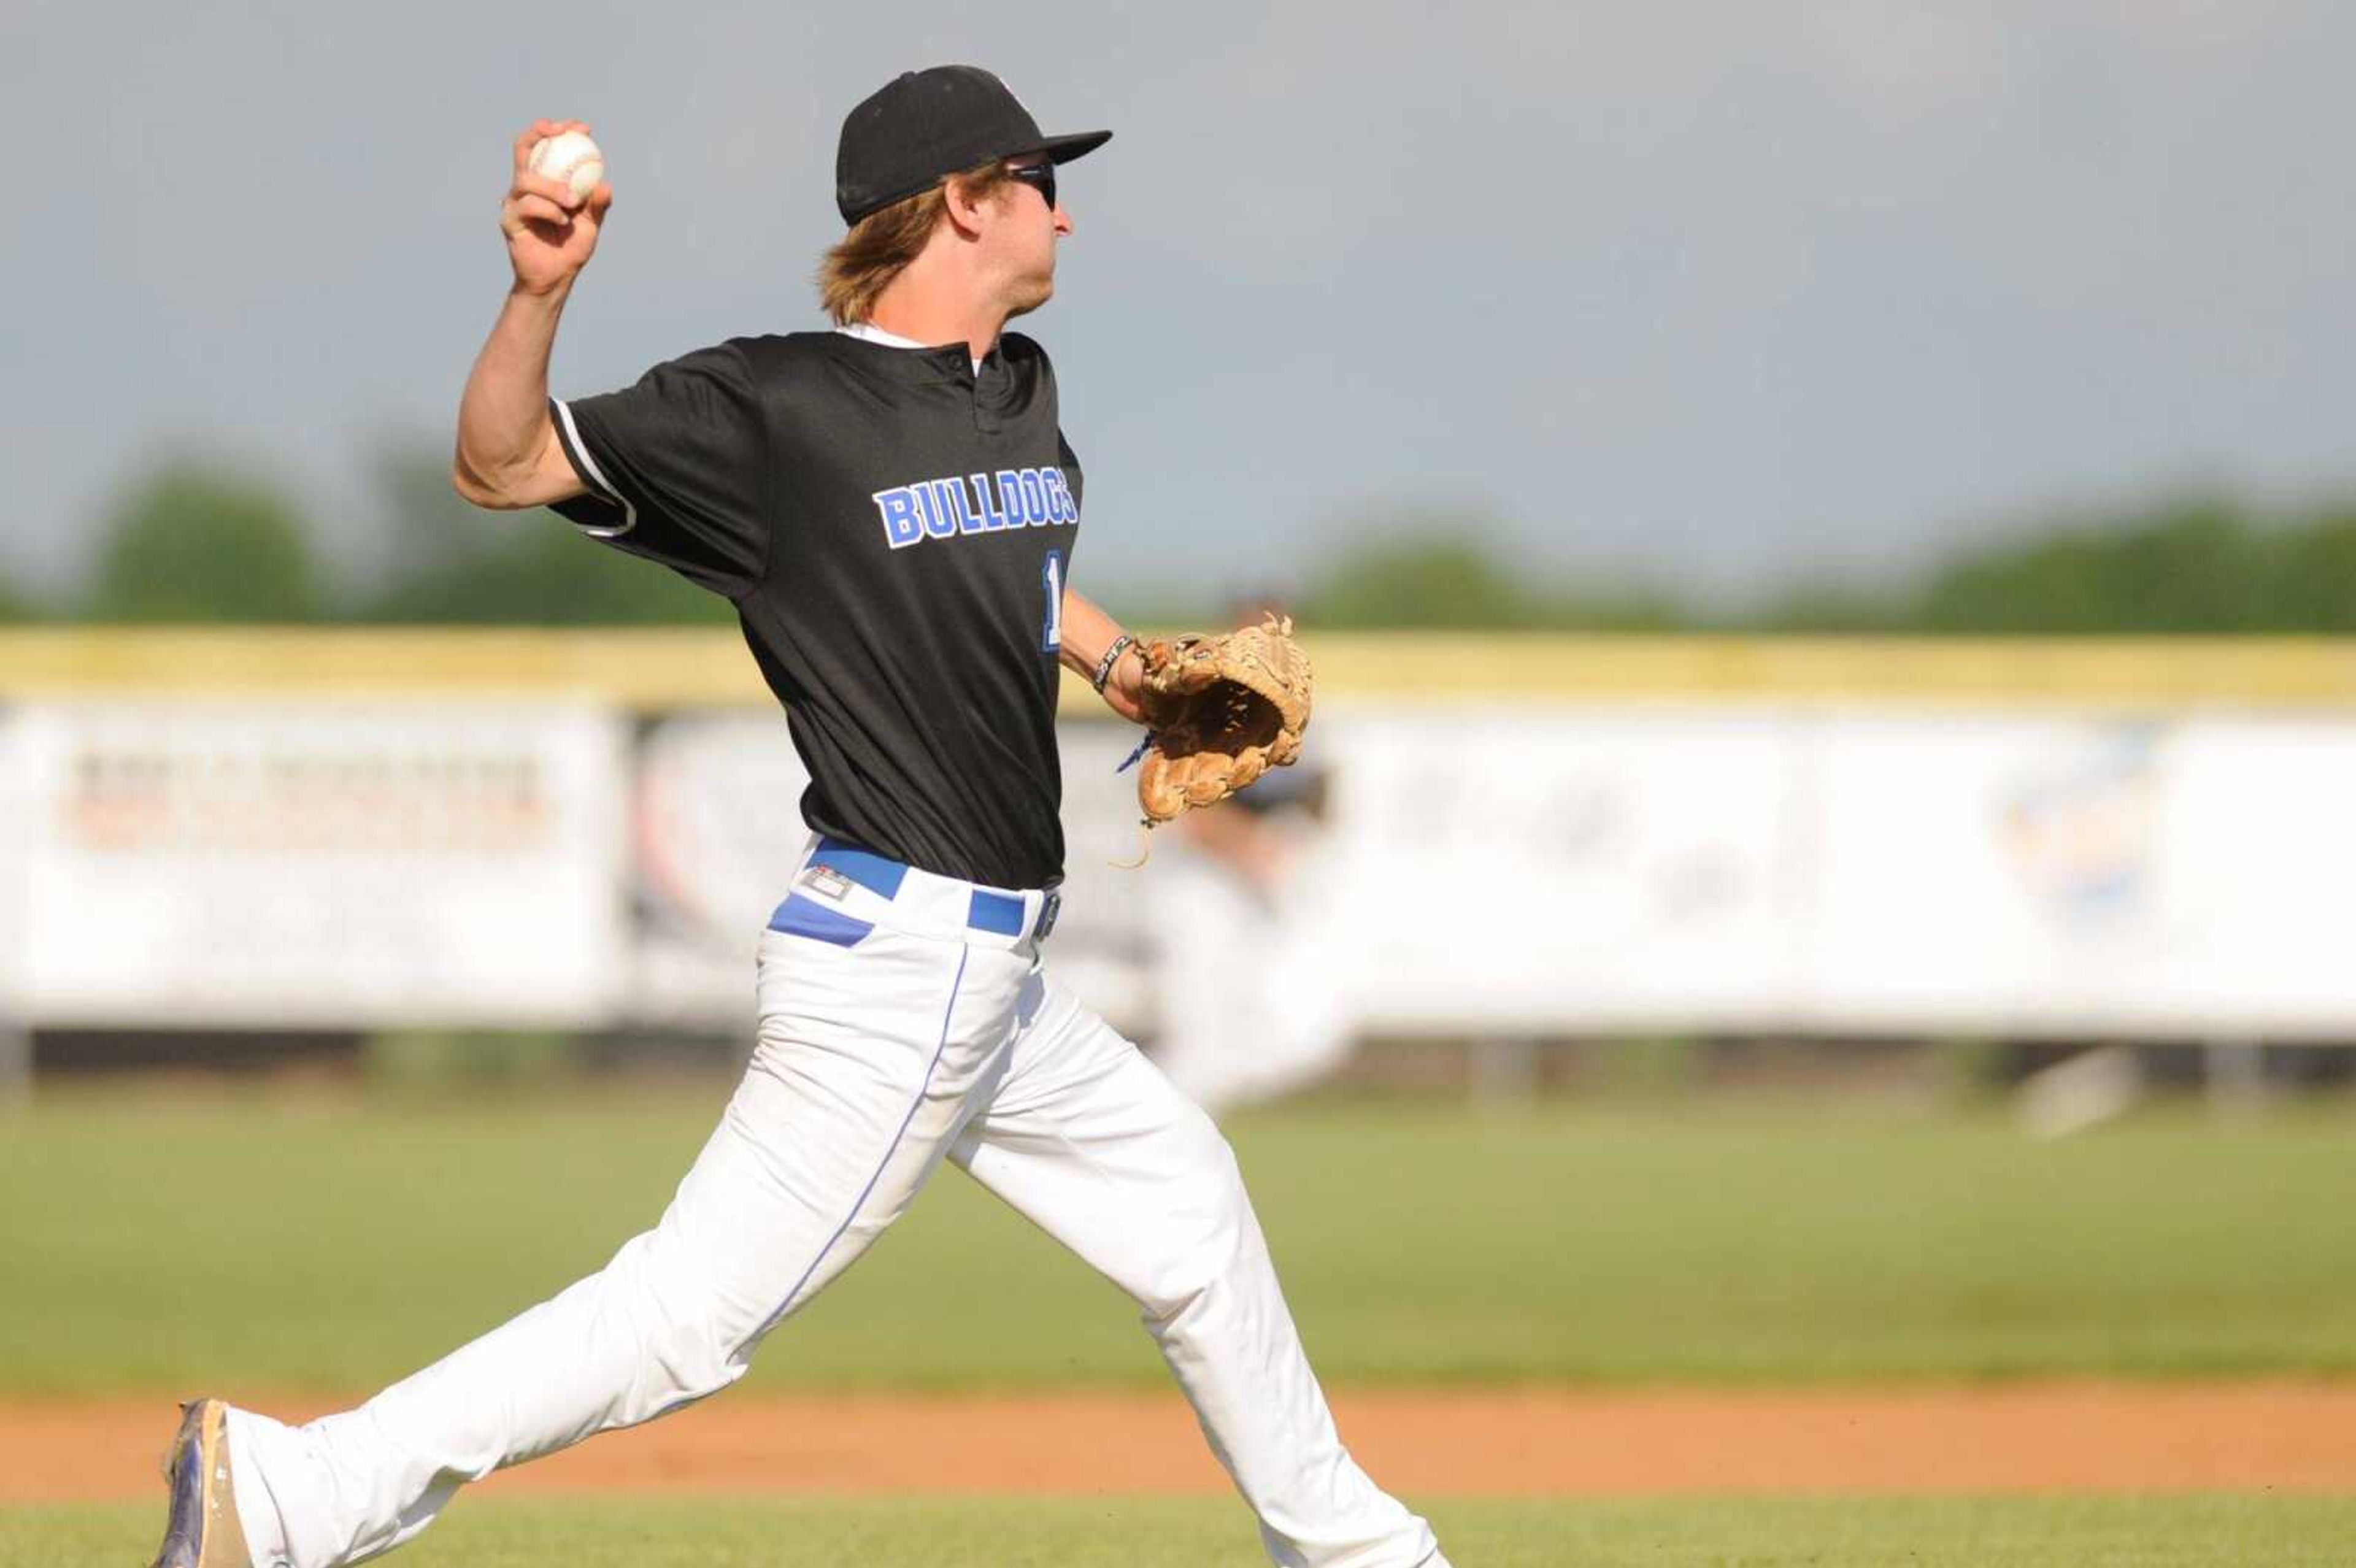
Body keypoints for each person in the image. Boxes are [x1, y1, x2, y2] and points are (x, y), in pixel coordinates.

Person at [148, 65, 1450, 1568]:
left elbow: (1009, 576)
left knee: (1190, 1210)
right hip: (903, 963)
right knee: (683, 1319)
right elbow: (496, 464)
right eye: (1039, 179)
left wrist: (1126, 665)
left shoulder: (1015, 392)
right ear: (965, 201)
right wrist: (540, 293)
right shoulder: (773, 411)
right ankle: (300, 1492)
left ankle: (1368, 1556)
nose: (1066, 208)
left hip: (999, 984)